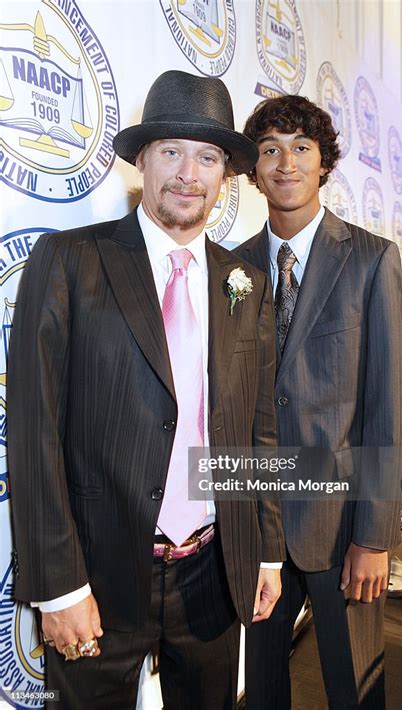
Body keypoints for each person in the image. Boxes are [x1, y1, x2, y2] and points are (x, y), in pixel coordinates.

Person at [7, 70, 285, 710]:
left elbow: (256, 427)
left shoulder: (245, 283)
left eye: (208, 157)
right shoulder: (71, 261)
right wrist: (58, 587)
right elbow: (33, 430)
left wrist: (265, 551)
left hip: (213, 575)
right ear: (141, 160)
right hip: (98, 578)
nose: (189, 173)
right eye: (172, 152)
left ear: (226, 176)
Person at [235, 95, 402, 709]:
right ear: (252, 169)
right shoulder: (229, 270)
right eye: (269, 150)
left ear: (324, 163)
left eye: (301, 149)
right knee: (262, 693)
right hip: (255, 525)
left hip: (342, 530)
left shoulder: (370, 260)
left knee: (354, 689)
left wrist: (375, 536)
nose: (285, 163)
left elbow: (386, 409)